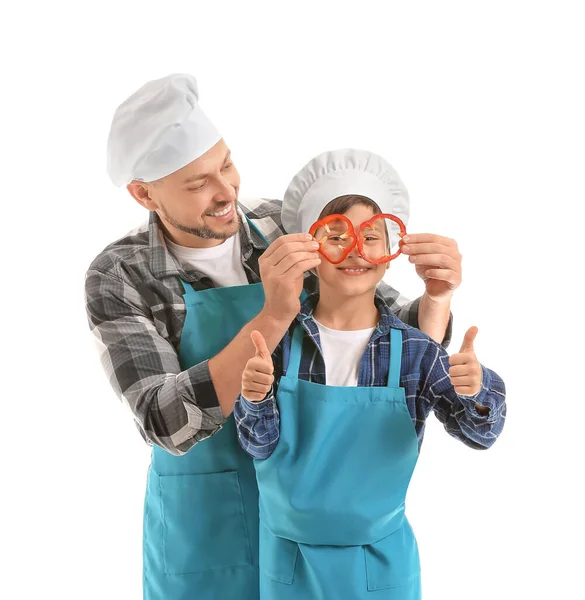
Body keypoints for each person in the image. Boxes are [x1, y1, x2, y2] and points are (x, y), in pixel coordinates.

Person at [85, 74, 463, 600]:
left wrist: (438, 297)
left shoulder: (280, 226)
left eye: (226, 165)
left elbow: (394, 337)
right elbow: (164, 421)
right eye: (197, 184)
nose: (226, 193)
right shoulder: (121, 276)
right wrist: (273, 315)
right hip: (204, 524)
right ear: (144, 193)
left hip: (310, 512)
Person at [234, 149, 506, 600]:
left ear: (391, 251)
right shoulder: (277, 342)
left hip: (380, 568)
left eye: (371, 236)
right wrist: (256, 398)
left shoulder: (418, 352)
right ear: (309, 249)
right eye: (335, 235)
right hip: (289, 563)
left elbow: (480, 434)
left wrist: (476, 391)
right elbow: (258, 444)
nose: (355, 250)